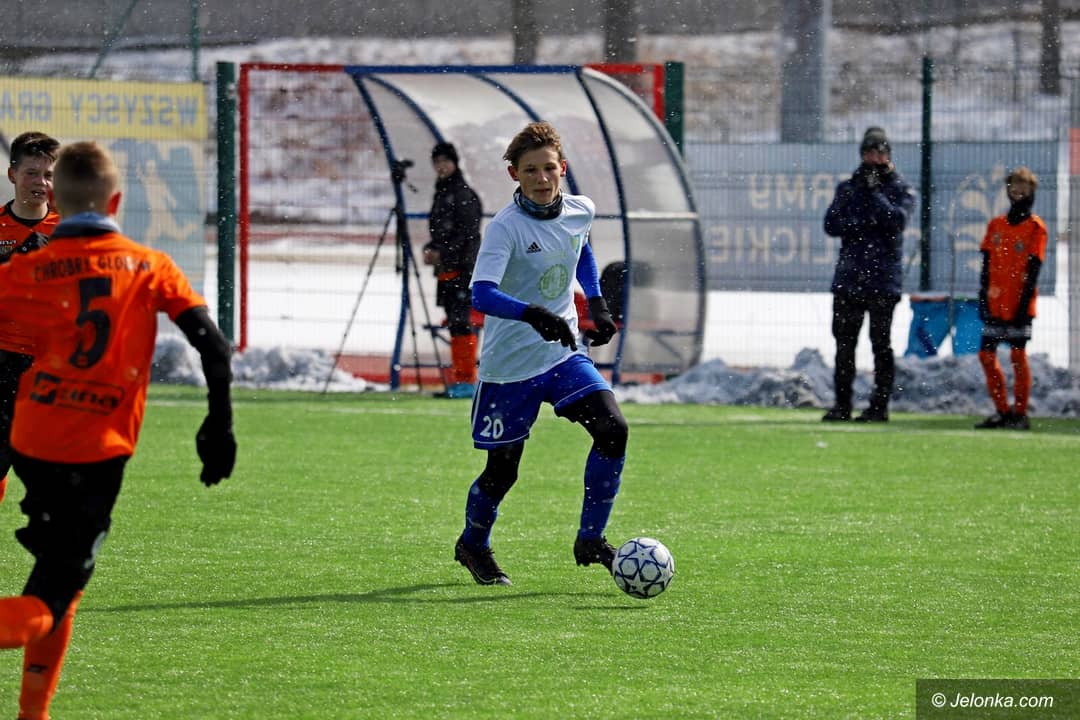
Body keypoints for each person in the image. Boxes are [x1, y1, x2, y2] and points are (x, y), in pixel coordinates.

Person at [0, 141, 236, 720]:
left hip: (34, 438)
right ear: (116, 201)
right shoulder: (149, 265)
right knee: (53, 596)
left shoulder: (26, 268)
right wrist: (218, 423)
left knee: (57, 579)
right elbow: (212, 345)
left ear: (58, 196)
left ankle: (34, 713)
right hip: (95, 451)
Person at [453, 121, 624, 586]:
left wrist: (597, 303)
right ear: (514, 174)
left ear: (562, 168)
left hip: (562, 355)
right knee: (502, 472)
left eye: (549, 168)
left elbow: (580, 248)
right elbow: (481, 294)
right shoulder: (505, 228)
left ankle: (591, 539)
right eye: (530, 170)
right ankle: (472, 544)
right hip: (510, 368)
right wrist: (530, 314)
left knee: (613, 430)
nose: (542, 178)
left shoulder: (580, 209)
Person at [822, 126, 915, 423]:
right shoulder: (849, 188)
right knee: (844, 344)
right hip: (850, 278)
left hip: (882, 281)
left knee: (880, 344)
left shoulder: (900, 189)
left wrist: (875, 195)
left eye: (879, 152)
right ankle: (842, 405)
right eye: (869, 152)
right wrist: (862, 221)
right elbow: (831, 224)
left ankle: (879, 406)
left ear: (888, 155)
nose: (874, 158)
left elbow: (896, 221)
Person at [0, 131, 61, 506]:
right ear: (12, 174)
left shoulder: (69, 230)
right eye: (31, 173)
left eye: (48, 175)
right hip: (4, 361)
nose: (40, 182)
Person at [974, 166, 1047, 431]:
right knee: (986, 355)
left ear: (1031, 192)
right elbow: (986, 265)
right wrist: (983, 296)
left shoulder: (1035, 228)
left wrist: (1024, 304)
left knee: (1017, 355)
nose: (1018, 193)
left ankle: (1020, 413)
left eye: (1023, 189)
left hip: (1019, 303)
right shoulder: (996, 225)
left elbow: (1034, 269)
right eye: (1014, 188)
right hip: (996, 301)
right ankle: (1002, 411)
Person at [424, 142, 483, 399]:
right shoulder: (442, 193)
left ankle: (467, 380)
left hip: (463, 270)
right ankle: (460, 378)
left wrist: (444, 253)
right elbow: (440, 232)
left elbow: (468, 235)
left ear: (455, 163)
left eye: (445, 161)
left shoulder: (463, 194)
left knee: (461, 323)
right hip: (447, 271)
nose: (441, 166)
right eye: (437, 162)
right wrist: (431, 248)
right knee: (455, 323)